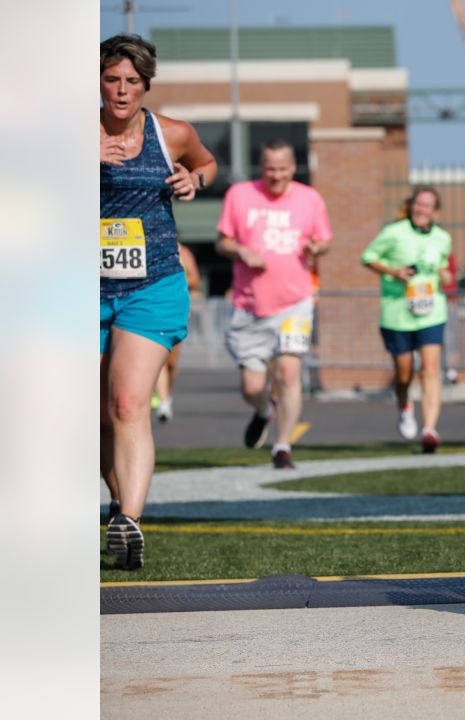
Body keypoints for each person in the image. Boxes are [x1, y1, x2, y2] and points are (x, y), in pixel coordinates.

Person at [100, 34, 217, 569]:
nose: (121, 91)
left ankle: (130, 519)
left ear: (146, 85)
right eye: (111, 79)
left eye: (131, 81)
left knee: (128, 403)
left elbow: (207, 163)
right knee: (95, 417)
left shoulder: (171, 133)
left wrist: (194, 178)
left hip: (152, 285)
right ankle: (118, 500)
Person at [216, 139, 332, 470]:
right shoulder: (239, 195)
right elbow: (222, 241)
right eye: (270, 169)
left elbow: (324, 240)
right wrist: (241, 251)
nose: (276, 176)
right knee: (252, 385)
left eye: (282, 169)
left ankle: (282, 447)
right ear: (260, 168)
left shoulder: (309, 199)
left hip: (295, 302)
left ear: (293, 168)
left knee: (289, 371)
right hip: (250, 305)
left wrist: (317, 248)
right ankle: (264, 409)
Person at [361, 186, 453, 452]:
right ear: (412, 206)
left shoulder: (442, 238)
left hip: (431, 312)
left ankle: (430, 429)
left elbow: (443, 266)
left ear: (436, 211)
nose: (422, 210)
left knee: (430, 368)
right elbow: (367, 258)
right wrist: (393, 271)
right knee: (404, 373)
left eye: (427, 206)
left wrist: (446, 275)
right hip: (397, 314)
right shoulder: (393, 233)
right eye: (418, 204)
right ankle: (404, 405)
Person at [153, 243, 201, 422]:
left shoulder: (183, 252)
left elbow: (195, 280)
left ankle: (166, 394)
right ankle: (163, 401)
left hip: (174, 309)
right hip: (152, 309)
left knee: (171, 362)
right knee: (159, 360)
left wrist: (172, 277)